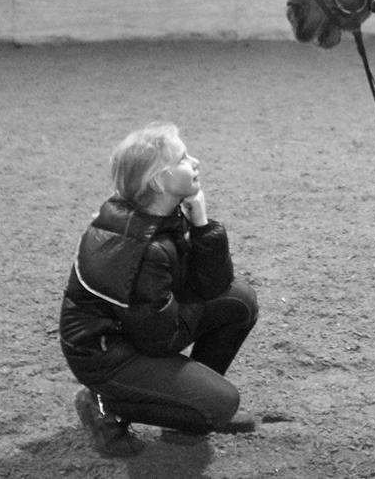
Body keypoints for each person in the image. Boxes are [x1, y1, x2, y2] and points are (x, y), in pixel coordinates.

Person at [59, 122, 259, 457]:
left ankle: (188, 407)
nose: (195, 162)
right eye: (183, 159)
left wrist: (202, 223)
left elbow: (215, 284)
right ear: (159, 180)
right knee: (220, 404)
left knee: (239, 301)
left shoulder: (160, 213)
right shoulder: (141, 248)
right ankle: (103, 403)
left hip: (138, 332)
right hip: (105, 357)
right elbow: (159, 339)